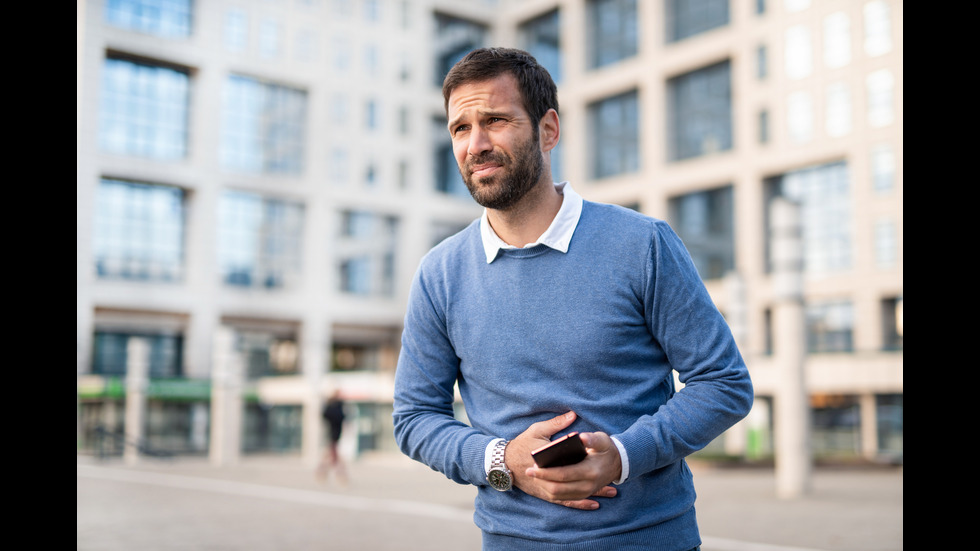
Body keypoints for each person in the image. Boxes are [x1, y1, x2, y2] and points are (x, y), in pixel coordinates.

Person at [393, 47, 753, 551]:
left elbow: (724, 383)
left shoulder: (642, 244)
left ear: (548, 130)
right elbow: (414, 418)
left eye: (495, 120)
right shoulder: (439, 274)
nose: (475, 144)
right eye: (460, 128)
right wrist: (501, 462)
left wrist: (625, 456)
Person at [317, 390, 347, 484]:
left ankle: (321, 473)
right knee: (334, 458)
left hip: (335, 435)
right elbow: (326, 415)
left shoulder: (338, 406)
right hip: (333, 435)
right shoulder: (334, 407)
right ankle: (340, 477)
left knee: (330, 457)